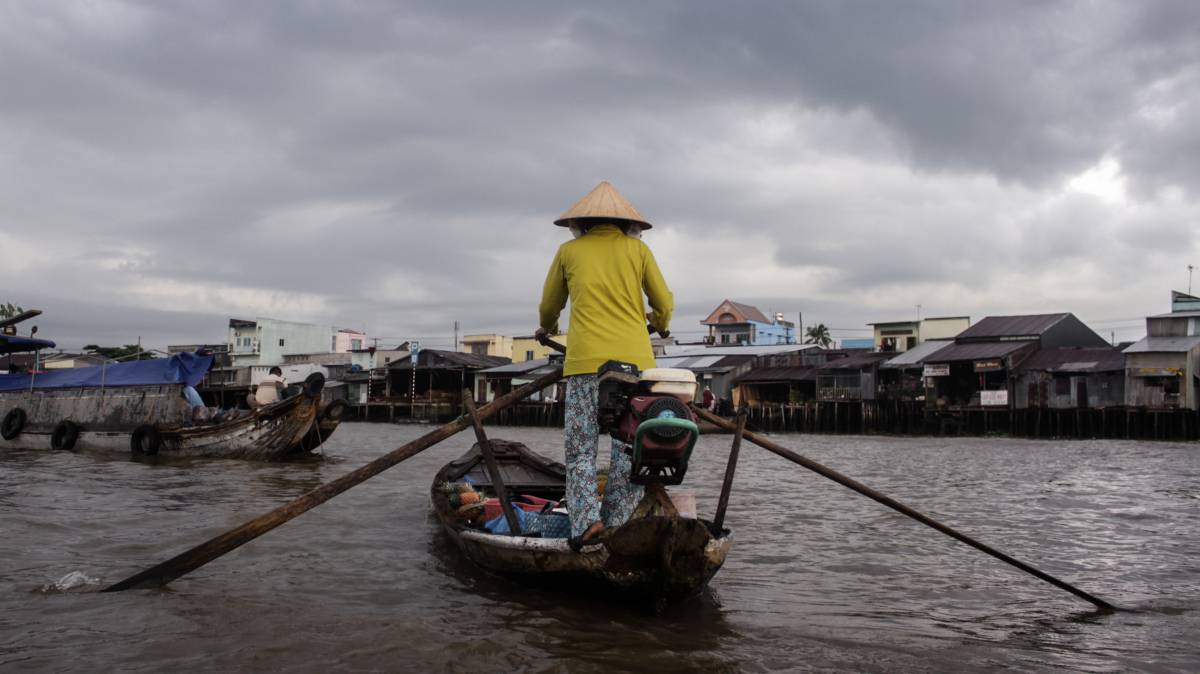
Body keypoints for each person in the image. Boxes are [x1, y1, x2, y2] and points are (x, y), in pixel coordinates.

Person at [537, 181, 673, 545]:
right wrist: (658, 324)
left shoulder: (568, 251)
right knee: (628, 448)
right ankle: (617, 524)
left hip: (584, 364)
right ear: (629, 226)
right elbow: (664, 302)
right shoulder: (639, 252)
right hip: (635, 366)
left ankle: (586, 523)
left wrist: (547, 328)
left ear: (581, 224)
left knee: (581, 450)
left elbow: (550, 306)